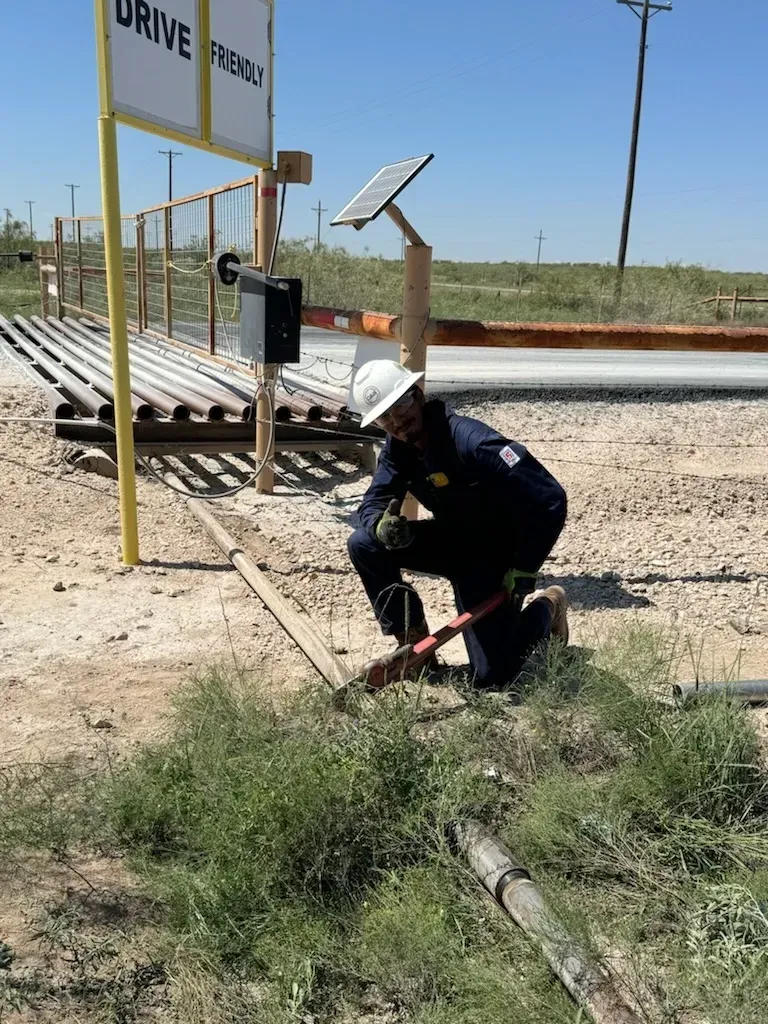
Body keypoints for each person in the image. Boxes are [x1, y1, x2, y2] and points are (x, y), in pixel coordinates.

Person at [347, 360, 569, 692]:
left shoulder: (472, 442)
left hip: (493, 555)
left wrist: (525, 566)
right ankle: (415, 644)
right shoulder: (399, 448)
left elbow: (551, 498)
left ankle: (548, 607)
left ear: (417, 395)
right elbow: (373, 500)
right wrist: (381, 525)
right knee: (364, 543)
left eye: (400, 406)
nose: (396, 421)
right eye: (385, 417)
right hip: (451, 541)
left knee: (492, 676)